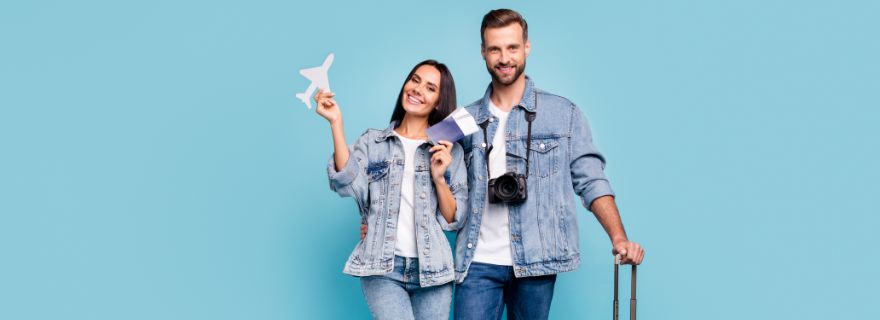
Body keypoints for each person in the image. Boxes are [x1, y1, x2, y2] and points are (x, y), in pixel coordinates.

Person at [451, 9, 646, 320]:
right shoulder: (462, 119)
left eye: (512, 47)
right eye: (495, 49)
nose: (504, 58)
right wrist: (373, 216)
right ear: (483, 52)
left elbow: (591, 179)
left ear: (527, 47)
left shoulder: (563, 113)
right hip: (477, 260)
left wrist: (618, 237)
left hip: (537, 259)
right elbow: (419, 164)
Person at [318, 60, 468, 320]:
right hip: (382, 268)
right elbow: (348, 184)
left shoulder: (448, 150)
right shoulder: (373, 142)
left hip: (433, 271)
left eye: (430, 88)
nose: (418, 89)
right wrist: (336, 123)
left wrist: (440, 179)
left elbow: (454, 219)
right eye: (415, 80)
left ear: (438, 102)